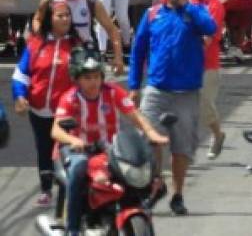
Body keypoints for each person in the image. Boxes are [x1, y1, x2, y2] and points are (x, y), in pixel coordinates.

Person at [128, 0, 217, 216]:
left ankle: (178, 194)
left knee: (181, 148)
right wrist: (134, 85)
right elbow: (138, 51)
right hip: (156, 89)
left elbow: (211, 29)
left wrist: (187, 7)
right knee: (149, 141)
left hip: (186, 92)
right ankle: (155, 184)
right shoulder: (152, 14)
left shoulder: (195, 12)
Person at [52, 45, 168, 236]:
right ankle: (72, 229)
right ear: (77, 79)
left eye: (96, 76)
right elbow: (55, 130)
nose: (93, 82)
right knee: (79, 167)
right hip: (76, 151)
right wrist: (73, 140)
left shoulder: (112, 92)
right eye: (87, 78)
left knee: (145, 173)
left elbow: (134, 114)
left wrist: (150, 132)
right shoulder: (70, 98)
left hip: (108, 151)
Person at [12, 0, 81, 206]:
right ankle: (46, 189)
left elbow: (88, 76)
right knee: (43, 148)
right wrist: (19, 97)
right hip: (38, 110)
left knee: (65, 149)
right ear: (50, 19)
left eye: (68, 15)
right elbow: (20, 75)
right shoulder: (35, 44)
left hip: (67, 112)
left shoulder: (77, 45)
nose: (65, 18)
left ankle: (69, 189)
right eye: (60, 15)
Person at [32, 0, 124, 76]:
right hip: (58, 48)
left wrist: (118, 58)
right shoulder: (49, 0)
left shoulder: (91, 2)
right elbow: (37, 19)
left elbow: (112, 29)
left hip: (85, 51)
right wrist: (42, 37)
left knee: (90, 85)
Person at [188, 0, 227, 160]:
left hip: (208, 65)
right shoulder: (186, 4)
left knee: (205, 106)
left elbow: (207, 38)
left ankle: (218, 134)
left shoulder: (215, 5)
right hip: (185, 65)